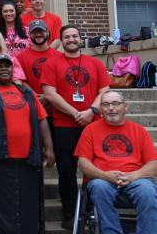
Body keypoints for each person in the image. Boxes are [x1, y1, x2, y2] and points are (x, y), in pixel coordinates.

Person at [0, 53, 55, 233]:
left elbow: (42, 119)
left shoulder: (27, 92)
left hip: (27, 159)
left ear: (13, 69)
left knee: (27, 203)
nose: (4, 69)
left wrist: (49, 148)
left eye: (8, 65)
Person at [41, 25, 111, 229]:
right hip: (64, 125)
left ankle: (91, 208)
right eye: (66, 37)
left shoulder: (94, 63)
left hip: (93, 124)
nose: (71, 39)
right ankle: (70, 213)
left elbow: (104, 90)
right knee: (67, 171)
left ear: (80, 39)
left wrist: (91, 111)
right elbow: (50, 94)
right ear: (61, 41)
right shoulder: (52, 63)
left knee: (96, 169)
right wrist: (75, 113)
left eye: (74, 36)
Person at [75, 90, 157, 234]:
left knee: (148, 191)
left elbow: (153, 164)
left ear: (125, 107)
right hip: (102, 178)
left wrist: (132, 176)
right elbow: (84, 164)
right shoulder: (90, 130)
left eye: (115, 103)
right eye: (106, 104)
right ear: (100, 109)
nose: (111, 108)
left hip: (135, 179)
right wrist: (106, 176)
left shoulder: (139, 131)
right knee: (99, 187)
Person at [17, 20, 62, 112]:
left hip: (56, 108)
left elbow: (62, 80)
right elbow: (21, 81)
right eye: (34, 32)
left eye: (41, 31)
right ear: (29, 34)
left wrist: (49, 97)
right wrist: (35, 96)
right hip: (33, 107)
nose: (38, 34)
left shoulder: (59, 56)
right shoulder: (21, 57)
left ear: (47, 32)